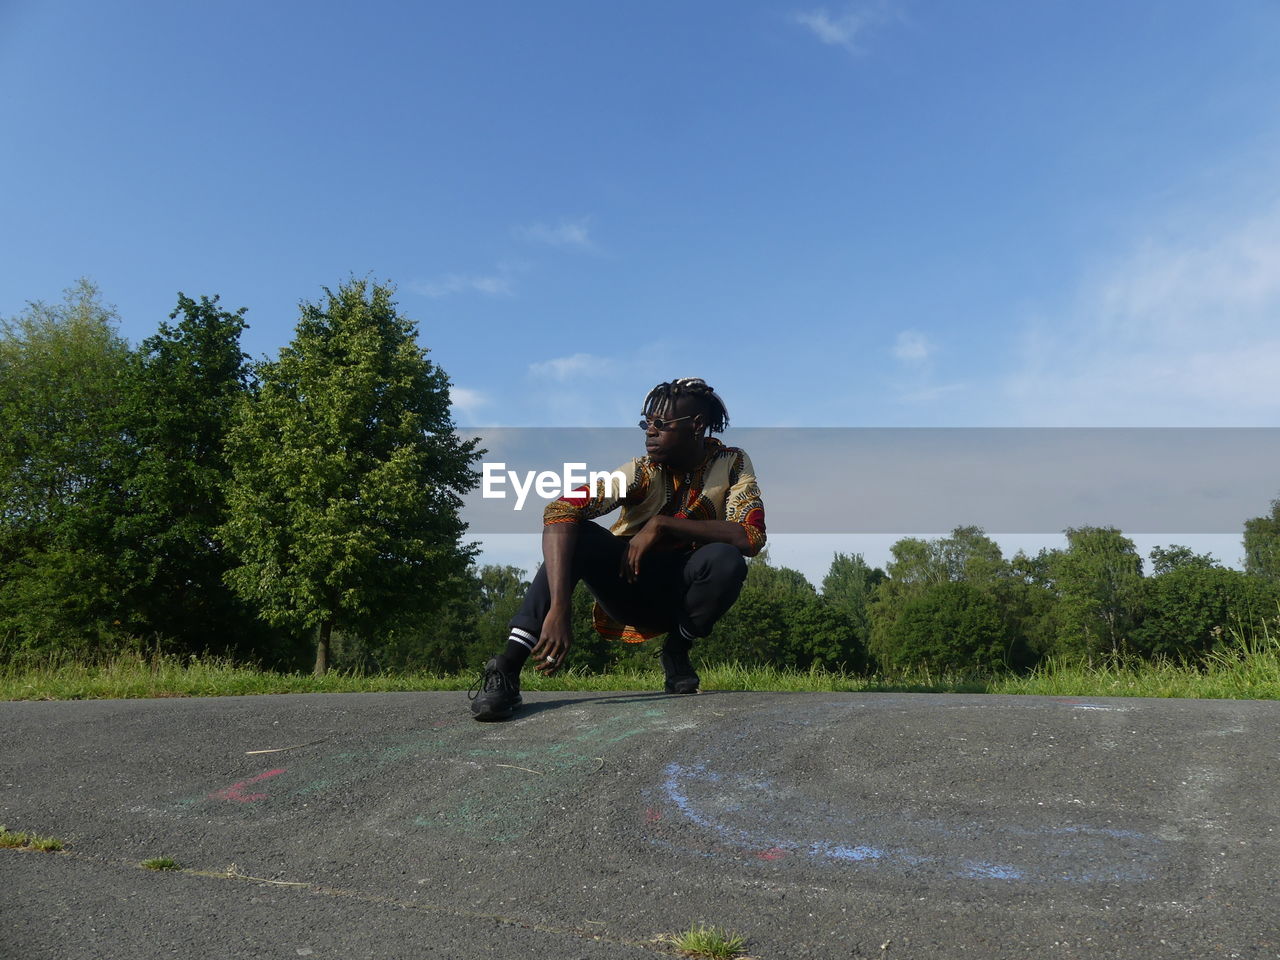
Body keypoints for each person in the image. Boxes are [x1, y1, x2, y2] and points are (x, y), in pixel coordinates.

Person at [469, 377, 766, 721]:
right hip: (630, 586)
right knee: (577, 532)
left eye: (660, 424)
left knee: (726, 559)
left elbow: (751, 536)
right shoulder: (640, 472)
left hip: (683, 596)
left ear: (696, 426)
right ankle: (506, 668)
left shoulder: (733, 463)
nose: (649, 432)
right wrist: (560, 608)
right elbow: (559, 509)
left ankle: (676, 652)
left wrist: (661, 524)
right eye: (646, 424)